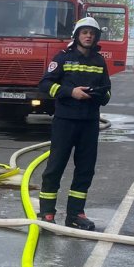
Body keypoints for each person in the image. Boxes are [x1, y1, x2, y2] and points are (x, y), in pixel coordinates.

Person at [37, 16, 112, 230]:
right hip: (65, 122)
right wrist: (71, 92)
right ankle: (48, 213)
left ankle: (75, 214)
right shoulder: (62, 57)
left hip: (89, 123)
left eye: (92, 33)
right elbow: (45, 84)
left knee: (85, 170)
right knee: (55, 167)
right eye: (84, 32)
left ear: (96, 37)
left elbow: (107, 91)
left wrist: (99, 95)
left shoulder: (99, 61)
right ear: (77, 35)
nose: (88, 36)